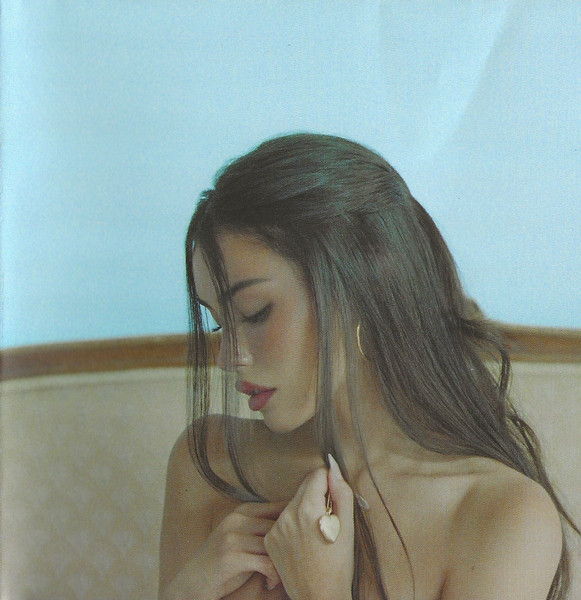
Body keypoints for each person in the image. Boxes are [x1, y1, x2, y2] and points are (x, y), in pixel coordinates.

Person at [159, 133, 578, 600]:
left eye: (256, 312)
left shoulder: (500, 515)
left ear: (360, 293)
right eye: (219, 324)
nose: (225, 359)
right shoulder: (208, 463)